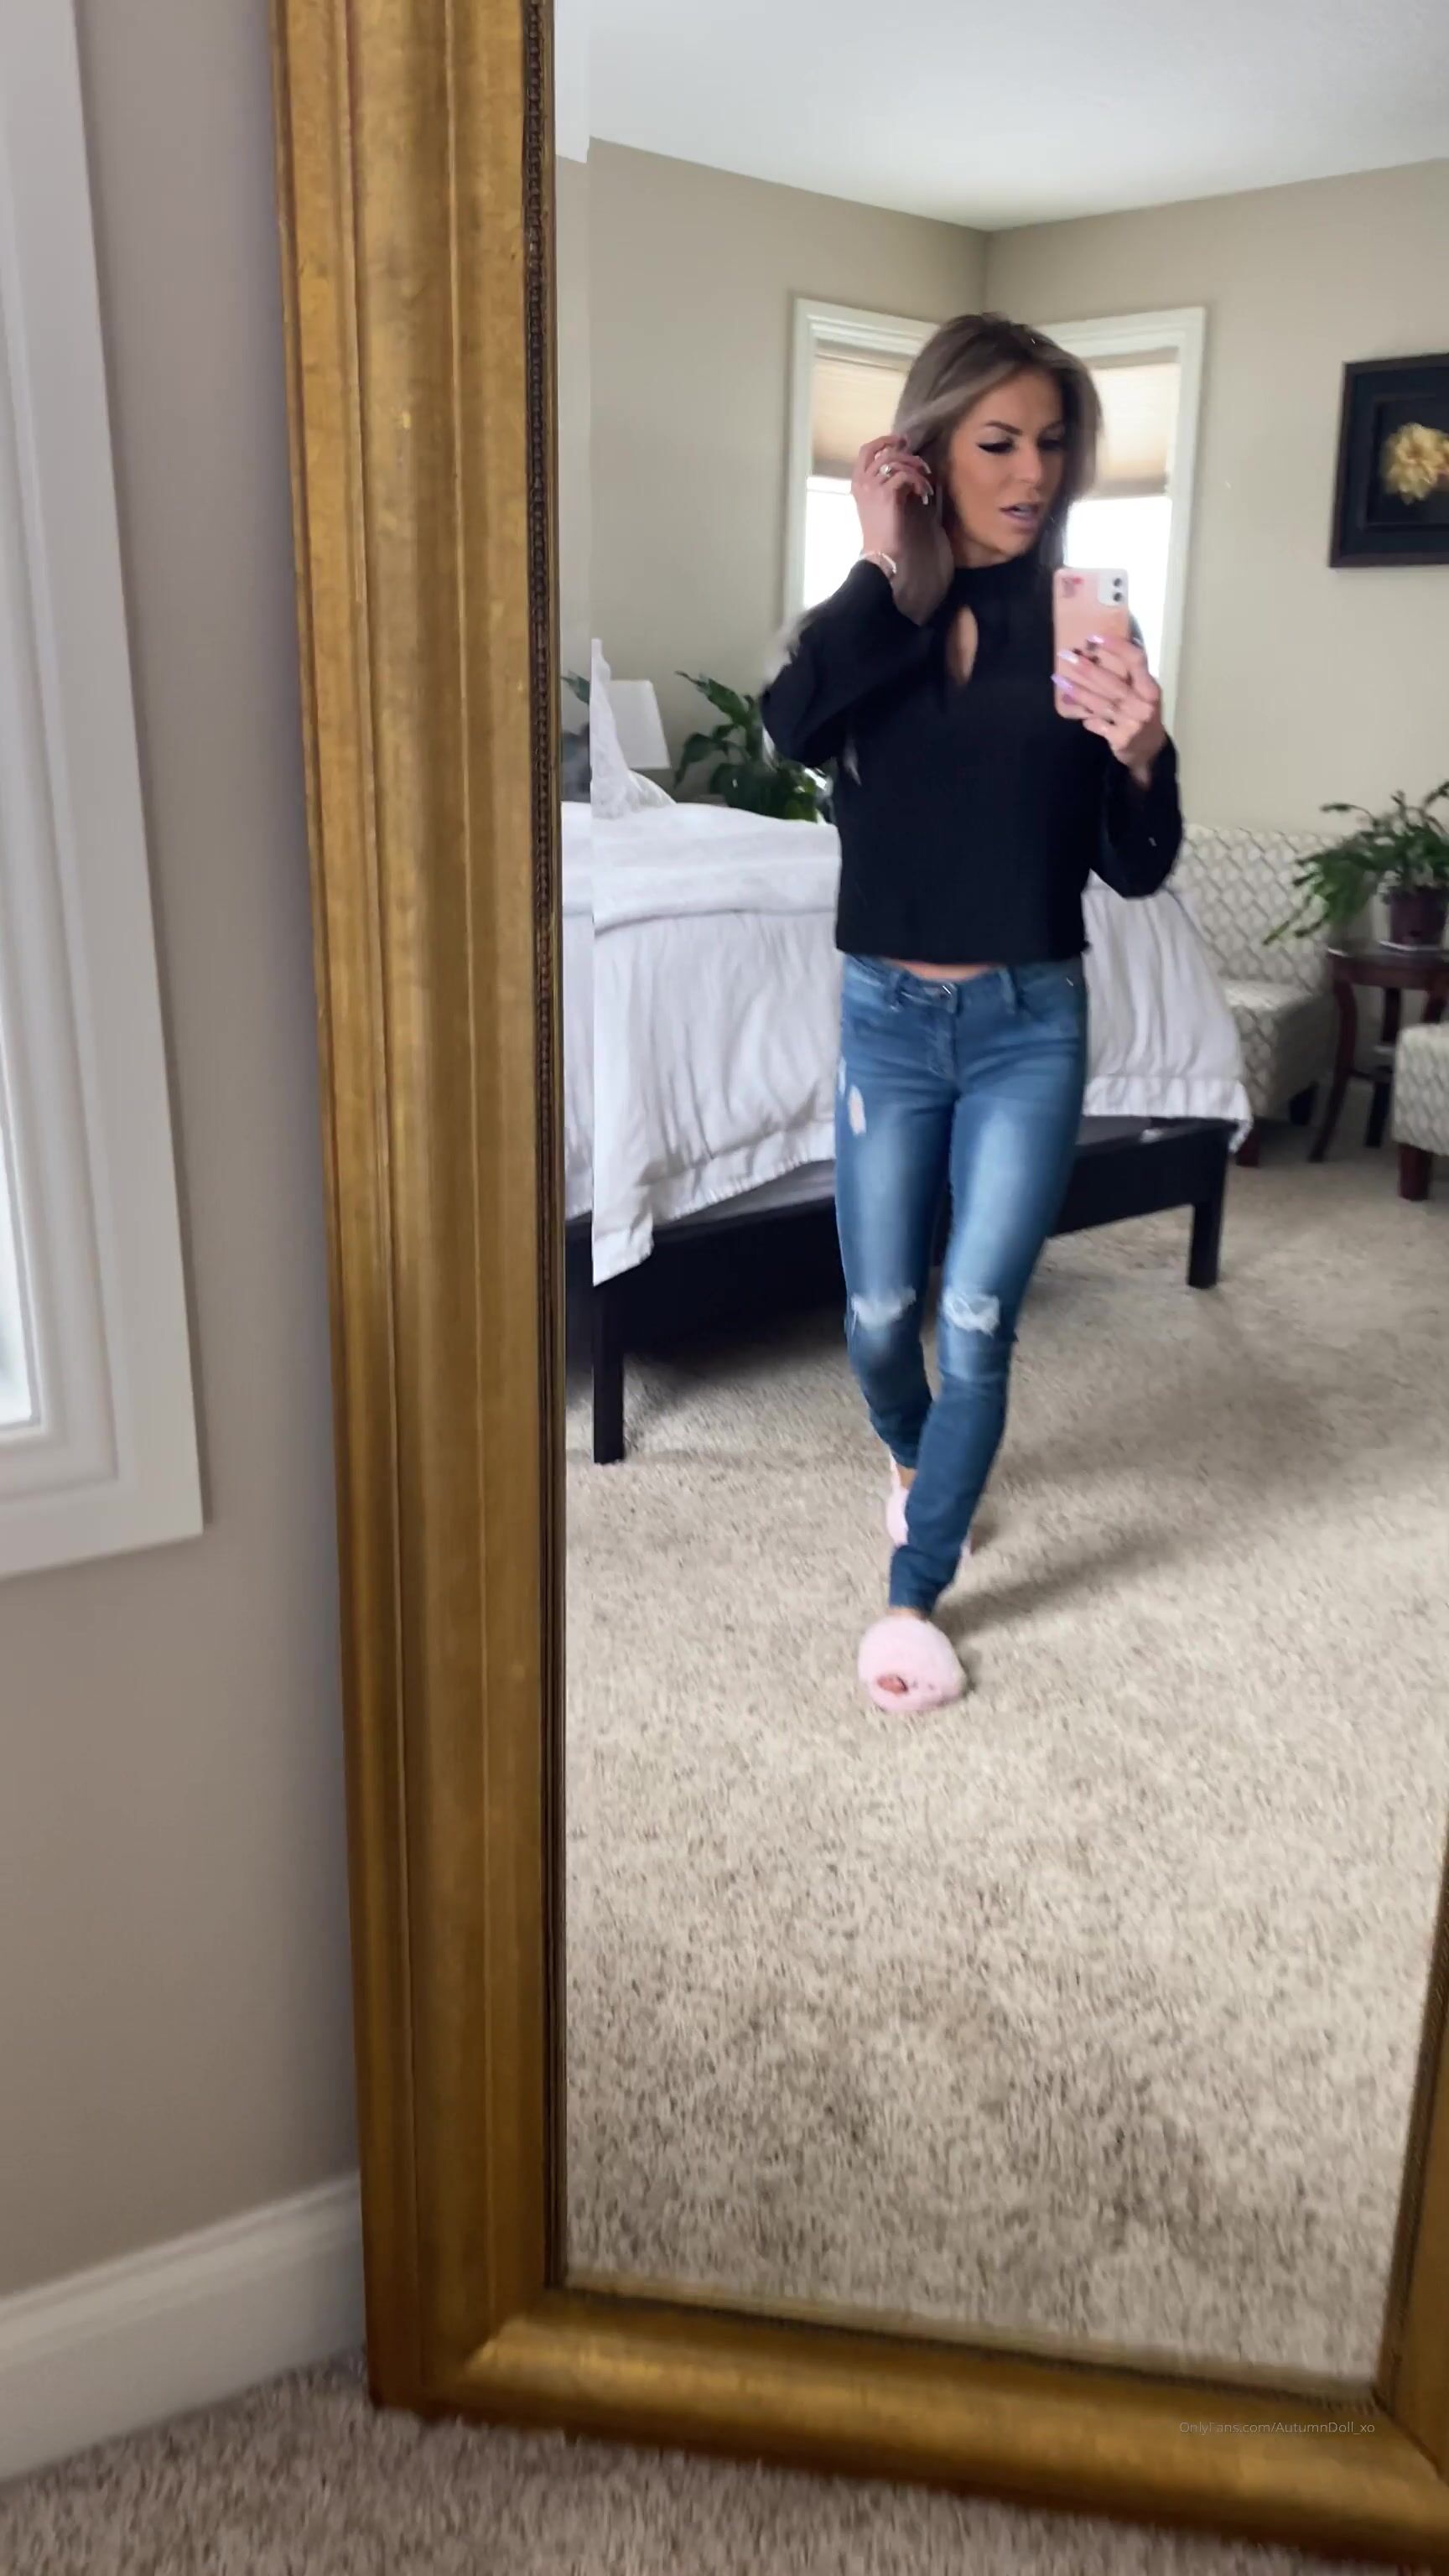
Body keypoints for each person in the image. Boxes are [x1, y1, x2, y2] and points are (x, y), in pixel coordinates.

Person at [760, 312, 1182, 1715]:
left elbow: (1136, 867)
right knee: (881, 1317)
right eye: (998, 442)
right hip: (886, 1023)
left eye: (1052, 444)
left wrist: (1143, 754)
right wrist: (886, 560)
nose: (1033, 473)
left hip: (1027, 1025)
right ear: (930, 449)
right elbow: (791, 728)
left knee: (982, 1314)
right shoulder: (878, 615)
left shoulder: (1084, 621)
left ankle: (915, 1592)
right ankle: (913, 1448)